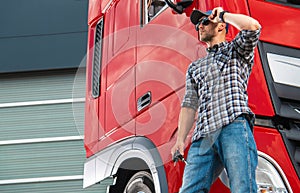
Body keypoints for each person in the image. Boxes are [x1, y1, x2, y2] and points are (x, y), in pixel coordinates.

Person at [171, 7, 261, 193]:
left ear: (220, 27)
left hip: (233, 125)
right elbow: (189, 104)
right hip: (203, 137)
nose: (199, 27)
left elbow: (253, 26)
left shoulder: (236, 51)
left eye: (204, 22)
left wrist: (223, 15)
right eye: (197, 24)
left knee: (243, 187)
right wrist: (180, 141)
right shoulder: (195, 67)